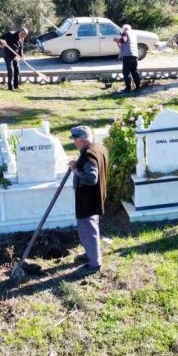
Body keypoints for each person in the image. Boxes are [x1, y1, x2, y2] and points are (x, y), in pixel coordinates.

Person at [69, 125, 108, 276]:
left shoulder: (89, 155)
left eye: (75, 140)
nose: (74, 142)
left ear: (81, 140)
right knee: (92, 228)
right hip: (95, 197)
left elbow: (91, 178)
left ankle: (94, 264)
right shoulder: (98, 147)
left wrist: (75, 169)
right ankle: (91, 253)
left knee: (87, 230)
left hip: (87, 200)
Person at [117, 24, 141, 92]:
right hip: (135, 55)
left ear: (124, 29)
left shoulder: (125, 33)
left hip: (128, 56)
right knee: (134, 71)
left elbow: (123, 40)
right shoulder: (133, 35)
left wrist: (118, 40)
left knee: (126, 72)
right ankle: (138, 86)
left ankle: (128, 88)